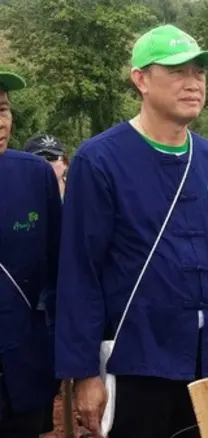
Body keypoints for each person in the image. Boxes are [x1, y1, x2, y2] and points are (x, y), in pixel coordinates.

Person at [55, 25, 208, 438]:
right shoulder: (100, 160)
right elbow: (80, 271)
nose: (193, 83)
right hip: (138, 359)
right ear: (141, 79)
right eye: (176, 72)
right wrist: (84, 372)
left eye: (199, 73)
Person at [0, 71, 61, 438]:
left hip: (24, 367)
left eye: (3, 109)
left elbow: (59, 267)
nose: (1, 122)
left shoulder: (35, 176)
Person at [23, 134, 69, 200]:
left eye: (52, 158)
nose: (45, 163)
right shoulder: (16, 195)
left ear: (65, 163)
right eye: (37, 159)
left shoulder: (79, 192)